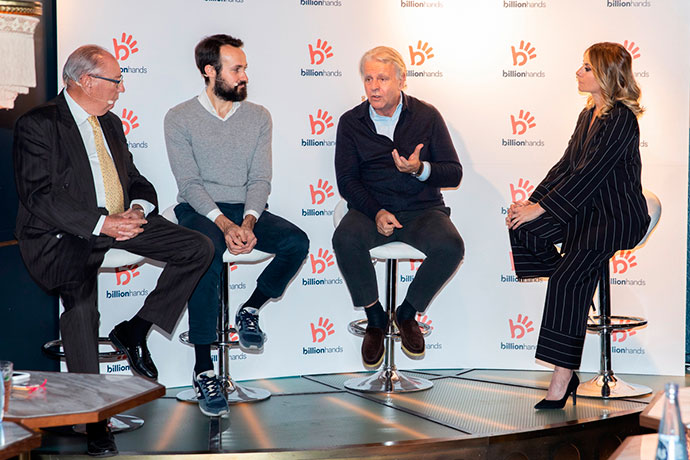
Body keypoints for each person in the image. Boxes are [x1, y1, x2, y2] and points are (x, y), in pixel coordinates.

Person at [13, 45, 214, 456]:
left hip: (120, 223)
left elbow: (135, 179)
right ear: (86, 81)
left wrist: (138, 209)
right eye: (115, 80)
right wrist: (102, 223)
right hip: (64, 233)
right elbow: (39, 197)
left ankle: (136, 329)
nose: (121, 89)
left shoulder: (112, 124)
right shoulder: (39, 123)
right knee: (82, 305)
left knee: (198, 246)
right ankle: (94, 419)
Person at [164, 34, 309, 417]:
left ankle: (250, 310)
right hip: (199, 211)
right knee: (205, 250)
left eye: (244, 67)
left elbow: (260, 180)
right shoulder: (179, 117)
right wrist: (225, 225)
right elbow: (190, 185)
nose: (245, 75)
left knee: (297, 240)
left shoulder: (259, 116)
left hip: (245, 208)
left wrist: (247, 221)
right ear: (209, 72)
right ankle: (203, 368)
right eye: (237, 68)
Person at [506, 42, 650, 409]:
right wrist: (532, 202)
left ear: (604, 75)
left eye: (586, 67)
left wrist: (543, 208)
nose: (578, 72)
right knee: (520, 226)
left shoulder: (620, 118)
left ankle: (562, 376)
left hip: (616, 217)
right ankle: (573, 288)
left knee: (567, 279)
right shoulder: (588, 114)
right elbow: (565, 166)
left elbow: (590, 175)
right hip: (584, 212)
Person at [332, 46, 464, 368]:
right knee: (344, 239)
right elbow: (347, 180)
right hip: (369, 210)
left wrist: (420, 170)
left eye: (382, 78)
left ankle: (406, 313)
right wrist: (376, 211)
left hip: (422, 210)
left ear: (401, 80)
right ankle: (376, 318)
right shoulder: (351, 122)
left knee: (451, 246)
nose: (374, 86)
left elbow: (453, 172)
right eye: (368, 79)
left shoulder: (427, 115)